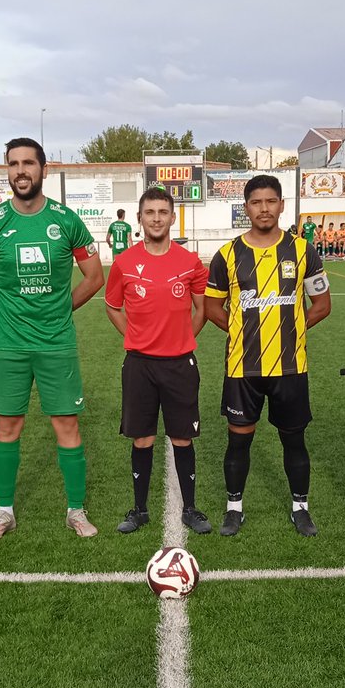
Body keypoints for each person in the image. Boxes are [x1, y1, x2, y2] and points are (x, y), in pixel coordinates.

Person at [0, 137, 104, 540]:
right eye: (13, 164)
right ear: (7, 170)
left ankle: (75, 510)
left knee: (66, 425)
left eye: (28, 163)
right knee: (8, 426)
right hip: (10, 344)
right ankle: (4, 512)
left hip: (56, 342)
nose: (20, 170)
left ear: (44, 169)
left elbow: (95, 277)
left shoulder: (66, 220)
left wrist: (61, 309)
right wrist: (7, 310)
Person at [205, 174, 331, 536]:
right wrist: (241, 333)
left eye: (271, 201)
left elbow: (322, 304)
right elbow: (212, 307)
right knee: (238, 440)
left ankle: (300, 508)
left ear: (281, 205)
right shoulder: (227, 255)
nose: (264, 208)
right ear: (246, 208)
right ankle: (234, 508)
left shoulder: (303, 250)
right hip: (242, 368)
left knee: (294, 440)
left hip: (290, 367)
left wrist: (292, 330)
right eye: (256, 202)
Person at [105, 188, 211, 536]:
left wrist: (183, 338)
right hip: (140, 365)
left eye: (162, 212)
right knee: (142, 439)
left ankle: (190, 508)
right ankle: (139, 510)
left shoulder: (190, 262)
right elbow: (112, 306)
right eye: (149, 212)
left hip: (180, 364)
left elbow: (202, 308)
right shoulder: (123, 263)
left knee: (183, 438)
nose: (156, 218)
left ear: (172, 217)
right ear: (139, 218)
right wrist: (135, 336)